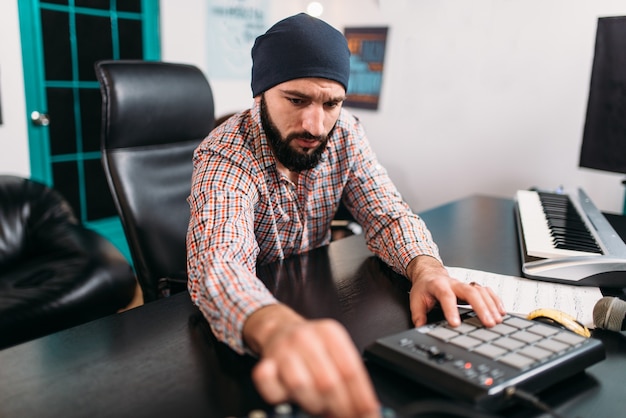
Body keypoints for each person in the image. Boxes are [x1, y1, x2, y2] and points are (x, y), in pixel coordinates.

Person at [187, 12, 506, 418]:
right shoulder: (226, 154)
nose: (314, 125)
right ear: (260, 94)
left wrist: (426, 269)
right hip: (241, 341)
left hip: (315, 300)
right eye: (296, 100)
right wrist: (275, 329)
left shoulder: (345, 133)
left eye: (331, 103)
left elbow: (388, 214)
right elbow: (220, 261)